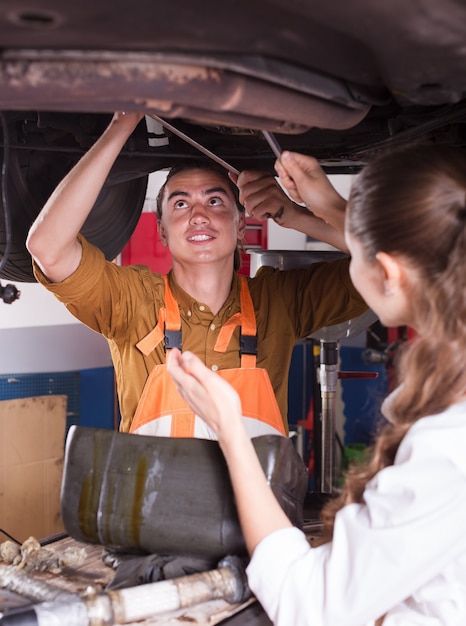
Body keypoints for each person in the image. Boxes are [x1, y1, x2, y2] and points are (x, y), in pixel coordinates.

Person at [167, 145, 466, 625]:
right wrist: (321, 209)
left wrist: (230, 429)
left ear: (388, 273)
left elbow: (308, 604)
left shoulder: (447, 451)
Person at [26, 111, 366, 436]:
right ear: (161, 231)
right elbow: (47, 247)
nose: (198, 215)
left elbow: (389, 262)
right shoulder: (132, 302)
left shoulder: (280, 302)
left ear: (240, 225)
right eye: (180, 204)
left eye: (215, 201)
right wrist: (120, 127)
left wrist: (299, 215)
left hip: (253, 498)